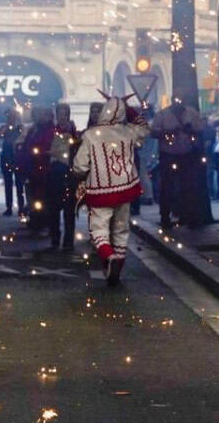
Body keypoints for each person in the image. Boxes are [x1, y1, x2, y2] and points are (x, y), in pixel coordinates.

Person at [73, 95, 149, 286]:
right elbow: (145, 128)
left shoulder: (91, 135)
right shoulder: (128, 132)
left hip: (100, 191)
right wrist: (128, 109)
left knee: (99, 228)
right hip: (126, 188)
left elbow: (80, 166)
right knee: (121, 229)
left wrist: (81, 173)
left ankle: (109, 256)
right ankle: (118, 268)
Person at [152, 98, 212, 228]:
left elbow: (201, 129)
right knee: (167, 187)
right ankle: (165, 216)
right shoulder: (162, 115)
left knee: (190, 186)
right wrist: (168, 131)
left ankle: (190, 217)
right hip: (168, 154)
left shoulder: (192, 113)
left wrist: (190, 130)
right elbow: (153, 132)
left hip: (188, 155)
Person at [45, 103, 79, 251]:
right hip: (55, 171)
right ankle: (55, 238)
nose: (62, 116)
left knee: (69, 209)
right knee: (54, 208)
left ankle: (68, 240)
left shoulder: (72, 132)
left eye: (64, 113)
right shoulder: (52, 130)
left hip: (68, 172)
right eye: (59, 113)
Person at [20, 106, 56, 234]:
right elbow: (27, 145)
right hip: (33, 168)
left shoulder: (50, 130)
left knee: (43, 197)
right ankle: (36, 218)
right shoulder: (34, 130)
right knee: (34, 197)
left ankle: (43, 220)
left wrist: (39, 153)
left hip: (44, 168)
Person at [0, 108, 26, 216]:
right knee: (8, 183)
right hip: (6, 156)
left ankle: (21, 206)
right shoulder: (3, 127)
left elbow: (24, 136)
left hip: (17, 157)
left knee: (19, 183)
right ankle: (9, 207)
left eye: (13, 116)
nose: (11, 118)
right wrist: (6, 126)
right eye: (9, 116)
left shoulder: (20, 127)